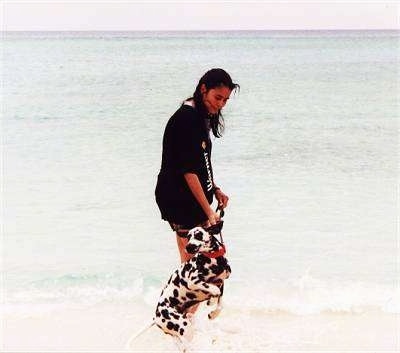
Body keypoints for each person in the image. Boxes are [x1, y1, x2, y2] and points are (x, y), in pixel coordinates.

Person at [155, 68, 239, 265]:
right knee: (192, 265)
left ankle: (186, 294)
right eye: (217, 97)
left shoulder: (200, 118)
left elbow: (200, 162)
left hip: (191, 197)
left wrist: (214, 188)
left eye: (225, 100)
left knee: (199, 263)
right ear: (203, 89)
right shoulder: (187, 120)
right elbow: (188, 171)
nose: (220, 105)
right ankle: (178, 295)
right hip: (179, 198)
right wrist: (209, 212)